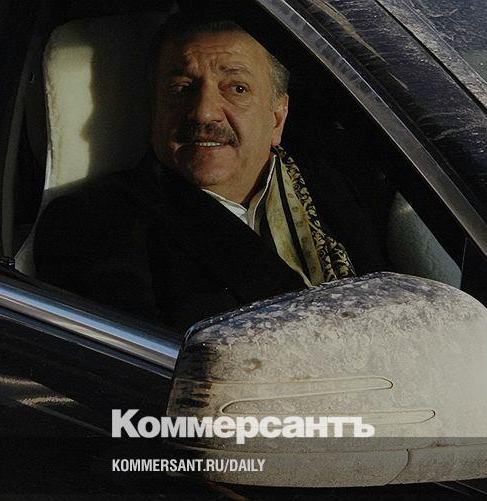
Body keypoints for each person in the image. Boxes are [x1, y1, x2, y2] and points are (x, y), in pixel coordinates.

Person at [35, 12, 392, 330]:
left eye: (236, 88)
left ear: (277, 118)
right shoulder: (94, 224)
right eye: (181, 89)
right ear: (155, 108)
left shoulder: (333, 183)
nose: (204, 112)